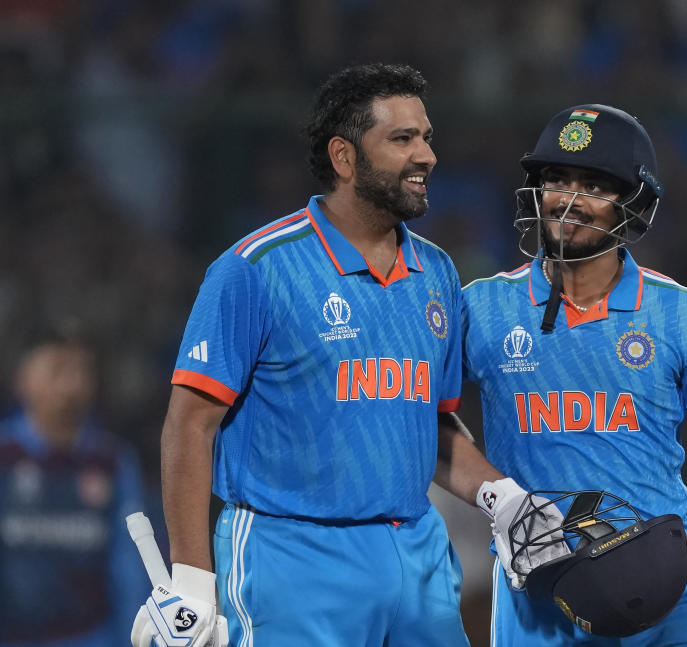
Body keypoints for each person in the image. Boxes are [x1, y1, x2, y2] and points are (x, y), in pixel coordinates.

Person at [131, 63, 486, 647]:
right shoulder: (255, 268)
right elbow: (190, 424)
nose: (427, 155)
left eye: (426, 137)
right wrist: (191, 581)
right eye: (402, 139)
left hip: (417, 553)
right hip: (291, 559)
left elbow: (434, 427)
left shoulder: (439, 272)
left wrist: (505, 497)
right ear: (344, 158)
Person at [436, 104, 687, 646]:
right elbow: (421, 422)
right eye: (556, 178)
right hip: (542, 598)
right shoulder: (481, 309)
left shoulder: (681, 314)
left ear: (632, 204)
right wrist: (500, 498)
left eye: (593, 184)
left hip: (675, 591)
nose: (568, 199)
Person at [0, 325, 149, 646]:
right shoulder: (5, 457)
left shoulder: (112, 461)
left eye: (82, 370)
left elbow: (130, 564)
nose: (72, 384)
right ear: (23, 379)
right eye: (58, 369)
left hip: (90, 637)